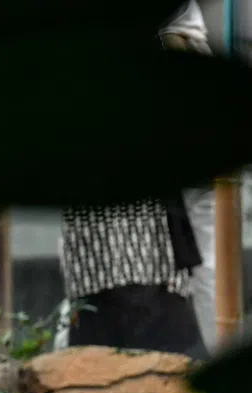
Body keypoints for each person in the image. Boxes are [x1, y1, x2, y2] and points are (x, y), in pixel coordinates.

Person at [53, 1, 214, 360]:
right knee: (97, 302)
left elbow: (186, 51)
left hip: (144, 168)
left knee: (156, 297)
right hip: (93, 170)